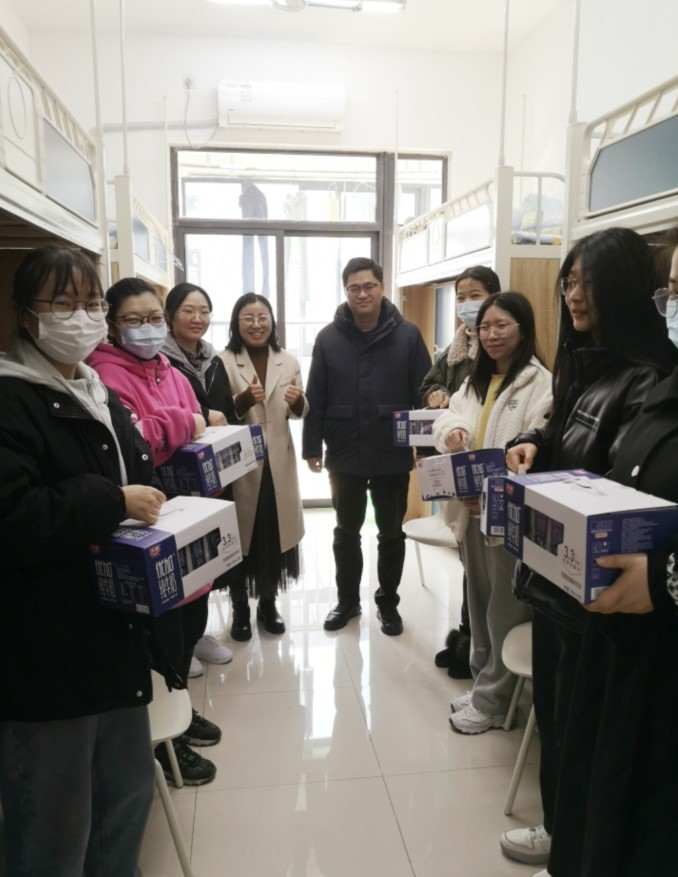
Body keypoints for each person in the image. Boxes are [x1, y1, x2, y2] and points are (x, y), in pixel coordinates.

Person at [498, 228, 677, 877]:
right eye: (568, 281)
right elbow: (567, 436)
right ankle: (563, 833)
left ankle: (568, 837)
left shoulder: (647, 377)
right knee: (564, 724)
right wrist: (533, 443)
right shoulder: (585, 362)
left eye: (588, 282)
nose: (575, 294)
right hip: (562, 582)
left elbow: (617, 483)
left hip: (603, 591)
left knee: (589, 738)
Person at [0, 246, 166, 877]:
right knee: (54, 824)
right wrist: (113, 500)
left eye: (92, 302)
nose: (84, 316)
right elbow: (15, 519)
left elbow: (138, 468)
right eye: (64, 304)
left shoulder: (94, 389)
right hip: (47, 649)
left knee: (125, 799)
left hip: (114, 637)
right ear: (25, 314)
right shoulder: (12, 398)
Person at [87, 277, 222, 787]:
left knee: (191, 617)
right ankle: (164, 742)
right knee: (159, 630)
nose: (146, 328)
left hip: (188, 511)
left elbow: (192, 426)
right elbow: (138, 442)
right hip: (147, 513)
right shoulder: (104, 373)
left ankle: (181, 707)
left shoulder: (169, 367)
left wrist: (183, 422)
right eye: (134, 320)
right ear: (112, 325)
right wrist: (184, 421)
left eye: (153, 319)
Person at [432, 292, 552, 734]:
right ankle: (484, 684)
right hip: (470, 512)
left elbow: (536, 449)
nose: (491, 334)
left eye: (502, 325)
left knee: (505, 608)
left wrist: (489, 492)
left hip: (507, 515)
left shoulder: (540, 383)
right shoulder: (475, 380)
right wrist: (452, 430)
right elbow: (447, 417)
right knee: (479, 602)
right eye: (485, 327)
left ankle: (497, 702)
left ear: (523, 329)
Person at [302, 256, 431, 636]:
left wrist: (426, 451)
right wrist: (312, 447)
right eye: (354, 288)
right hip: (344, 450)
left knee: (391, 533)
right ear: (346, 292)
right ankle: (347, 602)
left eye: (369, 286)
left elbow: (424, 394)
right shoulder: (328, 338)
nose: (362, 294)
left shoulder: (408, 335)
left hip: (392, 450)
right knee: (346, 532)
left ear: (381, 288)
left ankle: (388, 603)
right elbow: (315, 395)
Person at [420, 265, 501, 679]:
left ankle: (482, 652)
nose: (467, 305)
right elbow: (429, 388)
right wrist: (437, 395)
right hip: (460, 462)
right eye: (461, 297)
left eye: (475, 296)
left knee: (492, 574)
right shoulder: (453, 350)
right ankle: (468, 640)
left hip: (494, 470)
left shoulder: (498, 354)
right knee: (470, 565)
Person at [219, 293, 308, 640]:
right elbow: (217, 412)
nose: (257, 324)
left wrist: (299, 402)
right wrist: (242, 401)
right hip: (240, 466)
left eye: (263, 317)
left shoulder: (288, 360)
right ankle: (240, 607)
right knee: (242, 537)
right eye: (248, 318)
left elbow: (299, 411)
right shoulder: (223, 361)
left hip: (278, 464)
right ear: (236, 323)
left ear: (272, 321)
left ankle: (268, 604)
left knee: (273, 534)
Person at [162, 281, 236, 674]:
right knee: (179, 561)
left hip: (211, 473)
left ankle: (197, 633)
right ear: (170, 315)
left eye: (204, 311)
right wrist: (203, 418)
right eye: (188, 310)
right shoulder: (161, 360)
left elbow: (225, 411)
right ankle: (179, 643)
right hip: (174, 474)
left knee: (205, 558)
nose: (197, 318)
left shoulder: (213, 359)